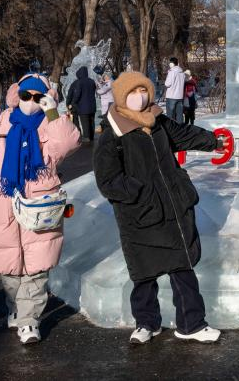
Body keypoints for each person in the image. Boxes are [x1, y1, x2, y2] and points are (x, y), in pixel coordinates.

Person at [92, 71, 226, 345]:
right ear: (121, 96)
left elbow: (184, 135)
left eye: (143, 91)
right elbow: (107, 179)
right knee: (144, 271)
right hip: (139, 213)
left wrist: (214, 142)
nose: (139, 97)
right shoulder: (113, 132)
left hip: (173, 207)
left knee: (182, 267)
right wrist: (138, 192)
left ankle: (191, 324)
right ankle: (146, 323)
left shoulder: (158, 121)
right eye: (132, 92)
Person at [0, 74, 80, 345]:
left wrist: (52, 111)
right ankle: (14, 306)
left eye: (38, 96)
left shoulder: (50, 125)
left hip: (40, 206)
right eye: (26, 95)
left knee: (37, 265)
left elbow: (68, 143)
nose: (31, 101)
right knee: (9, 265)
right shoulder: (0, 129)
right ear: (16, 97)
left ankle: (29, 320)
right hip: (5, 203)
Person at [66, 66, 97, 143]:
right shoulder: (92, 81)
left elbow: (77, 95)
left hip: (83, 106)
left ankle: (86, 137)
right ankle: (91, 136)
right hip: (92, 105)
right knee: (91, 121)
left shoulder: (80, 82)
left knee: (85, 122)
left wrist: (73, 103)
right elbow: (94, 91)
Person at [164, 57, 185, 122]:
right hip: (180, 96)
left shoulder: (172, 72)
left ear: (172, 63)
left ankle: (171, 128)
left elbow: (167, 84)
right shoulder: (182, 73)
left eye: (170, 63)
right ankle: (180, 127)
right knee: (179, 115)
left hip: (171, 96)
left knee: (170, 116)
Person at [95, 66, 115, 133]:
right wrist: (99, 83)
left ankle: (106, 131)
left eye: (105, 76)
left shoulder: (110, 83)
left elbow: (102, 91)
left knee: (107, 118)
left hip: (108, 103)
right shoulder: (107, 83)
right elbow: (102, 87)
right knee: (106, 117)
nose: (104, 77)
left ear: (108, 77)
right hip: (106, 103)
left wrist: (97, 90)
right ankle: (106, 130)